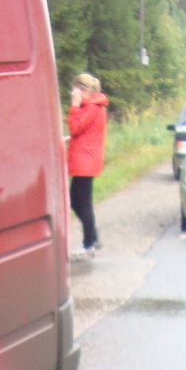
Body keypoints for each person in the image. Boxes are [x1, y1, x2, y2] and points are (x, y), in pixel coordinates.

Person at [66, 72, 108, 256]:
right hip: (85, 160)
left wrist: (74, 106)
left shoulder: (91, 107)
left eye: (76, 90)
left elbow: (75, 127)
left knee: (81, 202)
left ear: (85, 90)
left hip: (86, 161)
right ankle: (92, 237)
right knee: (76, 201)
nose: (73, 94)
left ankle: (89, 241)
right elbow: (81, 131)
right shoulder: (92, 107)